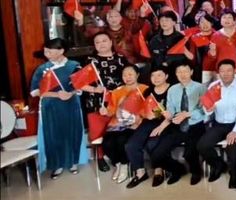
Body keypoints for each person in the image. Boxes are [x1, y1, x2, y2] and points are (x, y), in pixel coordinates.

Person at [29, 38, 89, 179]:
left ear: (61, 51)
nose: (46, 54)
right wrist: (57, 94)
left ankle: (73, 162)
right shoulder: (42, 69)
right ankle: (57, 164)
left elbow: (81, 86)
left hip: (71, 104)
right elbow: (35, 91)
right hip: (50, 106)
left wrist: (70, 93)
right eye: (45, 51)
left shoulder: (74, 65)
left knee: (72, 132)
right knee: (53, 135)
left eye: (49, 51)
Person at [78, 32, 128, 172]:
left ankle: (120, 158)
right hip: (96, 101)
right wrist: (95, 89)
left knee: (117, 131)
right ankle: (100, 158)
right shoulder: (89, 60)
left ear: (111, 42)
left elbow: (130, 79)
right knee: (97, 132)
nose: (101, 44)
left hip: (117, 100)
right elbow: (79, 83)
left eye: (104, 41)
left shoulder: (121, 59)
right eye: (97, 42)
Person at [124, 67, 179, 188]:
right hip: (149, 122)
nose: (156, 78)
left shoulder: (173, 89)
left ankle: (158, 171)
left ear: (166, 76)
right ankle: (140, 173)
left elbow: (175, 112)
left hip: (167, 123)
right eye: (153, 75)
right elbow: (143, 110)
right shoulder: (148, 91)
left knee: (152, 143)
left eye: (159, 75)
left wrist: (161, 116)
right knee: (131, 145)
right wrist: (145, 115)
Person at [197, 59, 236, 189]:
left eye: (229, 70)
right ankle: (218, 165)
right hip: (219, 124)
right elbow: (207, 108)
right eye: (222, 71)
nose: (225, 74)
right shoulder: (213, 86)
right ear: (218, 72)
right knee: (202, 145)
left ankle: (235, 174)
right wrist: (208, 109)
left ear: (235, 71)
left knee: (232, 150)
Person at [101, 65, 148, 184]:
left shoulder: (145, 89)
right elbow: (111, 110)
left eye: (130, 74)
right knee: (107, 143)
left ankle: (124, 165)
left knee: (122, 140)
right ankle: (118, 164)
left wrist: (140, 119)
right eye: (125, 75)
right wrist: (106, 111)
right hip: (117, 123)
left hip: (135, 123)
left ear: (137, 75)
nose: (128, 77)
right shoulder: (117, 91)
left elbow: (148, 108)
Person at [166, 62, 208, 185]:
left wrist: (188, 114)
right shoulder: (172, 89)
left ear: (191, 72)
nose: (182, 75)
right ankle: (177, 170)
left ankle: (196, 172)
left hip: (196, 124)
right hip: (177, 124)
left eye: (185, 71)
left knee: (189, 153)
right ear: (175, 74)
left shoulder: (201, 88)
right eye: (179, 72)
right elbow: (170, 108)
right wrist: (168, 114)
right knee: (159, 150)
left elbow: (205, 110)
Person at [148, 11, 193, 79]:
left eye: (167, 20)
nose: (164, 23)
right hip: (159, 76)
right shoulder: (154, 39)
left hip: (177, 75)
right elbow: (151, 58)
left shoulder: (181, 38)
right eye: (162, 20)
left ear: (174, 22)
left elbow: (188, 58)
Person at [204, 9, 236, 81]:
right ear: (220, 20)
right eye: (224, 17)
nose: (227, 20)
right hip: (221, 72)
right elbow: (211, 56)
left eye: (229, 17)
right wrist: (212, 53)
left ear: (234, 20)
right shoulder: (215, 35)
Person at [188, 15, 216, 84]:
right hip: (199, 71)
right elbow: (192, 57)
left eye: (207, 22)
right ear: (199, 24)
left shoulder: (217, 36)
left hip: (216, 69)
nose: (205, 24)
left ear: (212, 23)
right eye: (202, 22)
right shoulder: (194, 38)